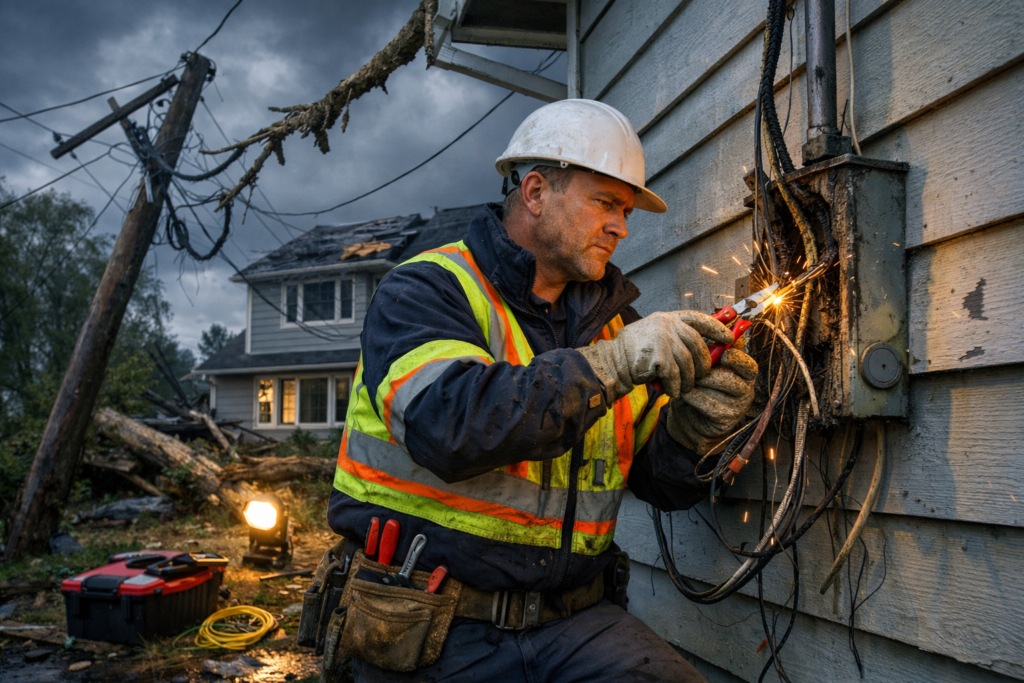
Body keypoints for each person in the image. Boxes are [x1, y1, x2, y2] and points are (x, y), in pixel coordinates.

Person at [327, 99, 757, 682]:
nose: (620, 227)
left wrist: (697, 427)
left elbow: (659, 480)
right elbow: (452, 428)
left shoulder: (610, 329)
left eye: (626, 211)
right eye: (605, 203)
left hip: (573, 620)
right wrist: (612, 363)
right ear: (534, 193)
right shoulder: (426, 291)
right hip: (430, 622)